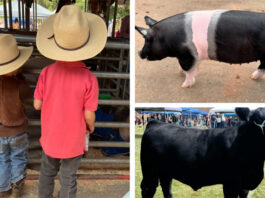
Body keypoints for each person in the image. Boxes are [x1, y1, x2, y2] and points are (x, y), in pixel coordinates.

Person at [33, 5, 107, 198]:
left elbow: (37, 105)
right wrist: (90, 127)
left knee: (46, 172)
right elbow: (88, 114)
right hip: (73, 140)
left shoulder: (46, 72)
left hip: (50, 136)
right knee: (68, 177)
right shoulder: (89, 79)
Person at [0, 34, 33, 197]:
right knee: (18, 158)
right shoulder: (20, 85)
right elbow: (29, 99)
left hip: (0, 132)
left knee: (2, 160)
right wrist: (21, 77)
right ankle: (17, 188)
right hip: (18, 131)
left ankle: (4, 188)